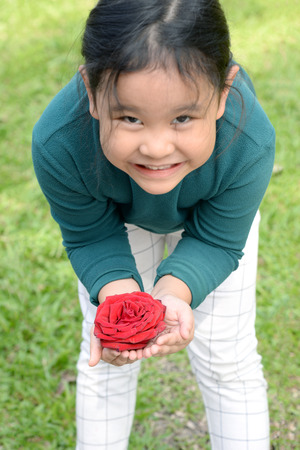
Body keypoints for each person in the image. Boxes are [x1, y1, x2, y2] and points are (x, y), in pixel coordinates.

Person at [32, 0, 275, 448]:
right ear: (91, 91)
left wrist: (172, 294)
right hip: (118, 216)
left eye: (183, 118)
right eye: (130, 118)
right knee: (107, 355)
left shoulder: (248, 141)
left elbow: (218, 240)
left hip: (208, 219)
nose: (157, 147)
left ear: (224, 93)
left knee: (227, 357)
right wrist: (120, 300)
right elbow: (90, 234)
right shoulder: (59, 143)